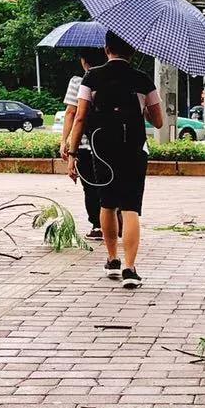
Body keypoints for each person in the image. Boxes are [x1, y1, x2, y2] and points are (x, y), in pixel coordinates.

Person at [66, 31, 162, 289]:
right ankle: (130, 268)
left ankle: (112, 260)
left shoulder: (92, 77)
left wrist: (72, 153)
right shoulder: (142, 79)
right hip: (134, 149)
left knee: (107, 204)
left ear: (107, 49)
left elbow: (80, 117)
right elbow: (159, 121)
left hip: (101, 149)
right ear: (133, 50)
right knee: (131, 208)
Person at [61, 48, 104, 239]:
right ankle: (114, 219)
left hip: (85, 143)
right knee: (110, 184)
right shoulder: (114, 80)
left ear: (84, 61)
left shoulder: (78, 82)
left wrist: (66, 142)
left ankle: (97, 225)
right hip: (110, 141)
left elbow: (72, 113)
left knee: (90, 187)